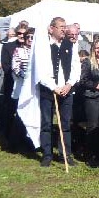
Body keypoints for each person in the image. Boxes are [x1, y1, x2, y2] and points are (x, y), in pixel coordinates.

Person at [38, 17, 81, 167]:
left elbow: (76, 68)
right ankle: (47, 155)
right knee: (46, 124)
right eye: (61, 27)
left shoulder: (71, 44)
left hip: (66, 90)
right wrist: (53, 87)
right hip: (48, 90)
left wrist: (69, 84)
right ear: (51, 29)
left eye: (65, 27)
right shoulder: (43, 46)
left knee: (66, 124)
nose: (64, 29)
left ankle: (65, 155)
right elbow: (41, 70)